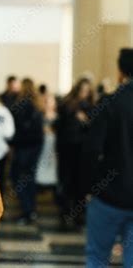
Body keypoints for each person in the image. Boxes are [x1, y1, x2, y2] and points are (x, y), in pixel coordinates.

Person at [82, 48, 133, 267]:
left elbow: (91, 150)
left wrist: (91, 186)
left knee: (97, 257)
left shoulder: (110, 103)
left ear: (120, 71)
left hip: (108, 195)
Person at [56, 77, 94, 229]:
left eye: (87, 91)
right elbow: (60, 128)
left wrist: (86, 121)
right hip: (67, 149)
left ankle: (79, 215)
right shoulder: (67, 105)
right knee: (66, 183)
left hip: (82, 151)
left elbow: (94, 130)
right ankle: (65, 214)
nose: (84, 94)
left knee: (80, 185)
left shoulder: (92, 107)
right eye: (82, 91)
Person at [10, 78, 44, 224]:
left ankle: (27, 211)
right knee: (29, 179)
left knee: (17, 178)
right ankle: (31, 211)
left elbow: (21, 130)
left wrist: (11, 141)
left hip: (24, 147)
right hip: (35, 147)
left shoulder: (23, 105)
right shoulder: (37, 105)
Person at [35, 92, 58, 187]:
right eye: (46, 102)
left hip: (54, 143)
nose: (48, 103)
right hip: (43, 143)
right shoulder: (40, 116)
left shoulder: (57, 116)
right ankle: (41, 181)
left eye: (50, 101)